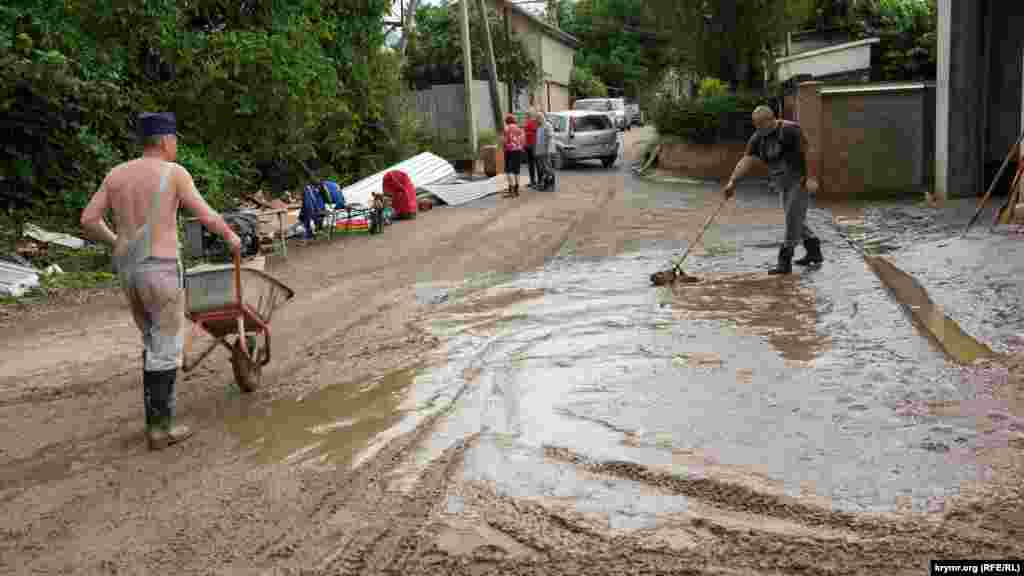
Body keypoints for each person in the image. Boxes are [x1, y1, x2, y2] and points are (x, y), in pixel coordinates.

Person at [80, 112, 242, 451]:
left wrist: (116, 241)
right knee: (165, 346)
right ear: (166, 140)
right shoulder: (174, 173)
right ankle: (160, 429)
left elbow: (89, 219)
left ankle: (155, 422)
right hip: (161, 269)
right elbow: (206, 214)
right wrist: (231, 236)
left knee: (152, 342)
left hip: (129, 271)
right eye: (175, 139)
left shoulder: (116, 174)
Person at [721, 105, 823, 274]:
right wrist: (733, 181)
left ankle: (785, 261)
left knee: (792, 219)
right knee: (795, 218)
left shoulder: (790, 130)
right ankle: (814, 251)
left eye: (761, 124)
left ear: (771, 119)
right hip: (782, 183)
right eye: (756, 125)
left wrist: (811, 178)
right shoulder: (757, 138)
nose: (759, 129)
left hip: (799, 181)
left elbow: (808, 152)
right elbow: (746, 160)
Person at [503, 113, 525, 197]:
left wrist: (504, 145)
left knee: (508, 170)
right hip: (518, 151)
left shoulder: (506, 129)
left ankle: (511, 190)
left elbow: (505, 141)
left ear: (507, 121)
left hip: (509, 151)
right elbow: (523, 140)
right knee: (517, 170)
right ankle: (516, 190)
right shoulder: (519, 129)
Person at [534, 111, 555, 191]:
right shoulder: (539, 126)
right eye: (536, 118)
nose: (537, 120)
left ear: (542, 118)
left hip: (546, 151)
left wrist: (548, 149)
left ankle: (550, 185)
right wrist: (536, 150)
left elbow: (550, 137)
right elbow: (538, 140)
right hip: (540, 151)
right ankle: (545, 185)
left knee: (547, 168)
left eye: (538, 118)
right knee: (543, 168)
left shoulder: (547, 125)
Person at [524, 109, 539, 189]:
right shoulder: (527, 122)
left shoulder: (533, 122)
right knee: (530, 164)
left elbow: (535, 132)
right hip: (528, 145)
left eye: (527, 115)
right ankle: (532, 181)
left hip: (533, 145)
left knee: (536, 163)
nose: (525, 116)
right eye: (526, 115)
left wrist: (527, 133)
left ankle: (538, 181)